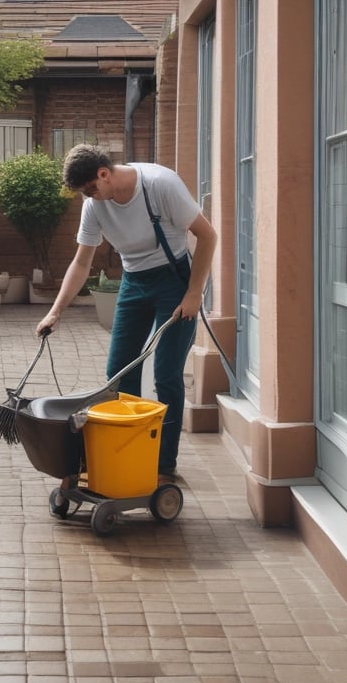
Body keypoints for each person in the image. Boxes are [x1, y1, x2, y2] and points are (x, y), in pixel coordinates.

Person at [36, 144, 217, 480]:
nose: (88, 197)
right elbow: (82, 261)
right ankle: (129, 448)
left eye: (90, 188)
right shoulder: (93, 204)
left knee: (166, 374)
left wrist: (194, 294)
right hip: (133, 282)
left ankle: (163, 464)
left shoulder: (161, 184)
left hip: (174, 278)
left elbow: (207, 235)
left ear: (104, 174)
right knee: (119, 373)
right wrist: (55, 312)